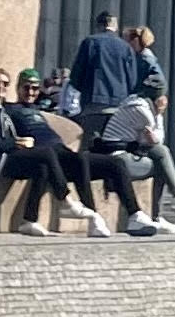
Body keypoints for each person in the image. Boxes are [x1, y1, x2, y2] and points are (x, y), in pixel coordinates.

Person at [0, 67, 80, 237]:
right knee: (45, 153)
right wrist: (14, 143)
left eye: (5, 84)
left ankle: (29, 220)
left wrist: (18, 143)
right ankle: (65, 200)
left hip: (4, 155)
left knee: (42, 167)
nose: (1, 87)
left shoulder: (1, 108)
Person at [7, 69, 114, 236]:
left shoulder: (37, 110)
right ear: (18, 88)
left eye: (35, 88)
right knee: (46, 162)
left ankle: (93, 216)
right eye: (26, 88)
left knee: (80, 159)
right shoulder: (11, 109)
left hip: (57, 149)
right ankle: (65, 201)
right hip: (40, 152)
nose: (30, 92)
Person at [100, 88, 175, 221]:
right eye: (161, 108)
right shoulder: (141, 111)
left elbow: (158, 138)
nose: (162, 112)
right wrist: (154, 132)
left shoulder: (145, 109)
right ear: (155, 103)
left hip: (128, 151)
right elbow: (150, 141)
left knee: (162, 154)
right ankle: (160, 212)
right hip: (117, 157)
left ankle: (173, 200)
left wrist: (157, 122)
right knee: (161, 165)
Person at [69, 10, 138, 140]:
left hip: (93, 105)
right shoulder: (126, 47)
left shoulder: (90, 42)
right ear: (115, 26)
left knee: (90, 148)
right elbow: (132, 80)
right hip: (119, 108)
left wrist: (85, 91)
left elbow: (76, 76)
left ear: (99, 25)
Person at [128, 25, 167, 100]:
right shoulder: (145, 56)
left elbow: (138, 79)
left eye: (131, 39)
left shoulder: (144, 58)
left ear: (136, 40)